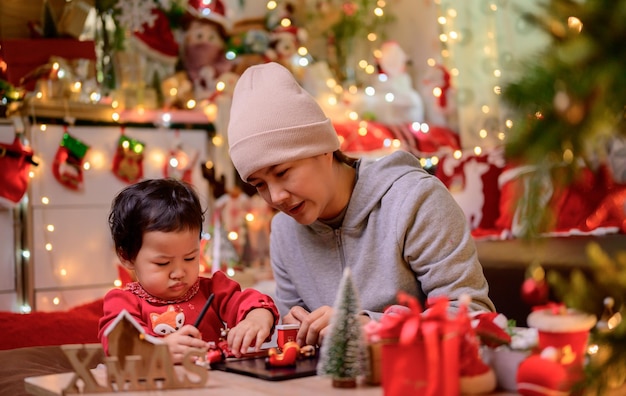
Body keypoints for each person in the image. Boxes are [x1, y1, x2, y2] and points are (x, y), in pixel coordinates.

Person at [226, 62, 496, 347]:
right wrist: (285, 323)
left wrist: (370, 326)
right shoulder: (284, 230)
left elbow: (473, 319)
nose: (276, 197)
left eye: (282, 173)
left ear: (324, 149)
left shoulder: (415, 200)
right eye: (259, 185)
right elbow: (295, 335)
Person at [98, 178, 278, 363]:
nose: (179, 273)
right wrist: (159, 349)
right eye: (163, 263)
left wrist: (256, 318)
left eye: (189, 258)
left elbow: (252, 303)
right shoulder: (123, 302)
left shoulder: (212, 290)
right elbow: (117, 343)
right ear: (127, 257)